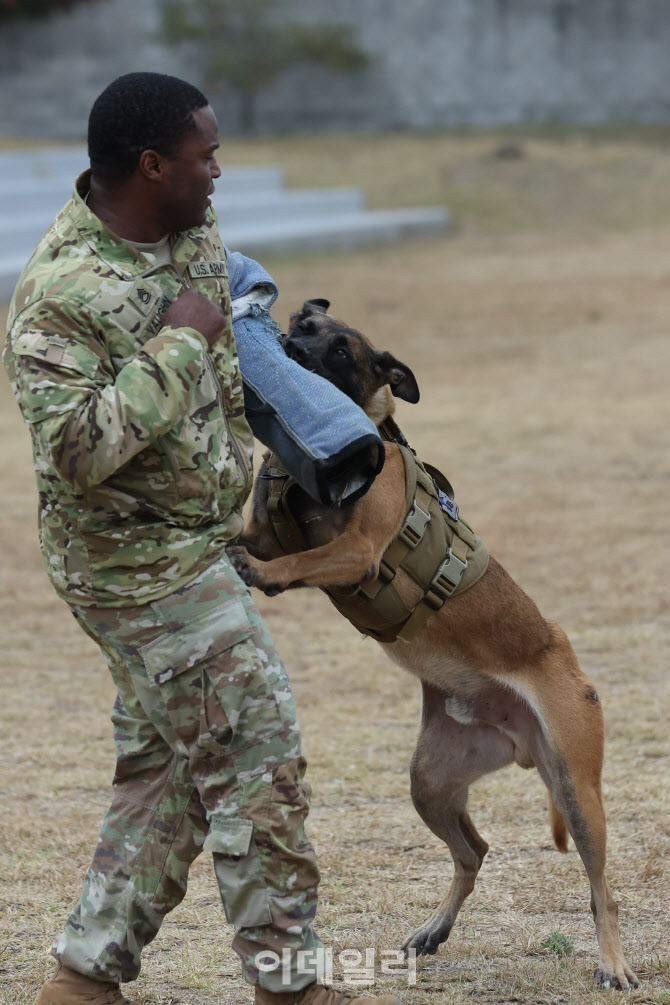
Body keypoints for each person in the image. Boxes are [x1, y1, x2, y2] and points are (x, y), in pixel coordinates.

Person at [3, 73, 401, 1005]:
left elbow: (231, 373)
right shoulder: (58, 293)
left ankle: (83, 976)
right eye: (204, 156)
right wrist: (178, 345)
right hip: (130, 564)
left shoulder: (191, 233)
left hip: (199, 539)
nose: (218, 171)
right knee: (256, 745)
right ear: (151, 166)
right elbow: (74, 453)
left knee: (170, 768)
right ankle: (291, 984)